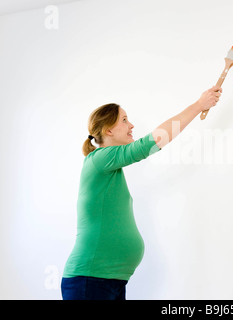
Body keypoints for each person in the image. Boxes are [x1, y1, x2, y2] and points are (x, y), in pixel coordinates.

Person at [61, 86, 222, 300]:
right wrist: (199, 106)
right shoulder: (99, 159)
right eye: (125, 120)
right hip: (90, 281)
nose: (131, 125)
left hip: (109, 281)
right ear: (108, 130)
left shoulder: (108, 166)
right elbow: (152, 143)